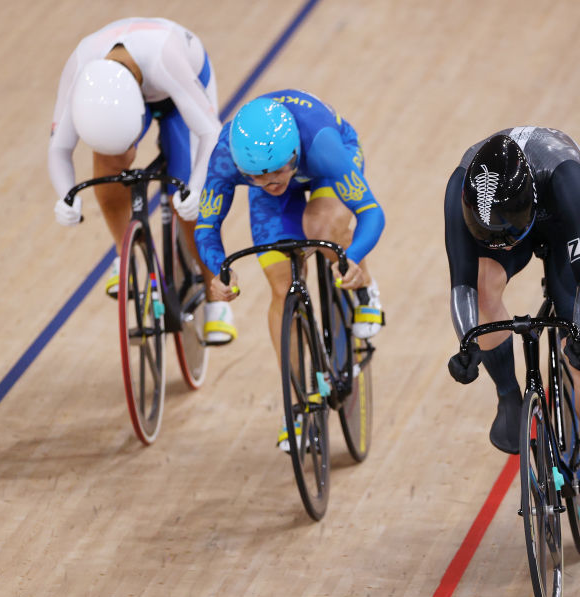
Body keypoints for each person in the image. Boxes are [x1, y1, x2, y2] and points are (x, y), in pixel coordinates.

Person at [444, 128, 580, 543]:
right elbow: (463, 287)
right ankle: (509, 398)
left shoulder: (565, 179)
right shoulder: (460, 187)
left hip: (568, 222)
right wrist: (467, 341)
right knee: (484, 283)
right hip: (506, 218)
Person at [194, 89, 385, 449]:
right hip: (278, 190)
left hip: (326, 168)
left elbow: (372, 213)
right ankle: (296, 405)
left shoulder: (321, 145)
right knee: (282, 288)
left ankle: (365, 289)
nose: (270, 182)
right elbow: (206, 226)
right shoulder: (228, 158)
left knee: (322, 227)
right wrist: (218, 270)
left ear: (293, 153)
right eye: (256, 177)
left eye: (277, 172)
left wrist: (354, 257)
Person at [47, 17, 236, 344]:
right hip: (130, 89)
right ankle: (127, 254)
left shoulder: (165, 60)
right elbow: (59, 147)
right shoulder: (80, 71)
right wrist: (65, 195)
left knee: (188, 201)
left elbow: (211, 133)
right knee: (107, 169)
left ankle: (215, 296)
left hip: (179, 90)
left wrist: (196, 186)